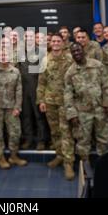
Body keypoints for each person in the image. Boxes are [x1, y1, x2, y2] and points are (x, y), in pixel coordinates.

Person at [64, 43, 108, 162]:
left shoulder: (97, 65)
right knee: (83, 140)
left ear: (83, 50)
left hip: (100, 109)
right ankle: (85, 166)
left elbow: (106, 85)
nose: (77, 53)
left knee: (104, 138)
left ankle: (104, 164)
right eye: (74, 52)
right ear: (71, 55)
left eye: (78, 50)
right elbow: (68, 94)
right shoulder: (70, 72)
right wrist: (72, 114)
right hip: (82, 112)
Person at [37, 34, 75, 179]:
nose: (56, 43)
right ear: (50, 43)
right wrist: (41, 100)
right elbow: (41, 82)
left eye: (58, 41)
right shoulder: (45, 60)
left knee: (66, 132)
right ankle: (59, 155)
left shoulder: (70, 58)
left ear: (63, 43)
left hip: (66, 102)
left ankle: (68, 163)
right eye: (53, 41)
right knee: (55, 131)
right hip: (50, 102)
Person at [0, 49, 27, 169]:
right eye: (1, 55)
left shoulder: (15, 71)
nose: (4, 57)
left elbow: (19, 89)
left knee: (15, 133)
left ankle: (13, 156)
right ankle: (1, 158)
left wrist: (18, 106)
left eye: (6, 55)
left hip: (12, 107)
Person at [18, 30, 48, 150]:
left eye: (31, 36)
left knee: (39, 116)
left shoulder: (41, 52)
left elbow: (44, 72)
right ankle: (28, 139)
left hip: (36, 88)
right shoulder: (20, 52)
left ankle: (41, 141)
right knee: (26, 115)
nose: (29, 38)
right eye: (26, 36)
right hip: (23, 89)